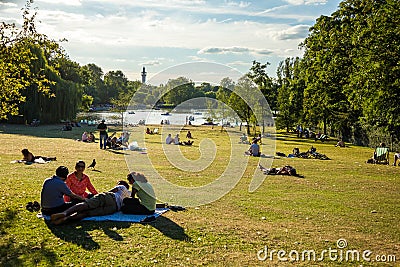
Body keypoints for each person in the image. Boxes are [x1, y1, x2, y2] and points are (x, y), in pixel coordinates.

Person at [50, 180, 131, 225]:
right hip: (114, 208)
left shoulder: (122, 186)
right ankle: (66, 219)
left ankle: (64, 213)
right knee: (87, 213)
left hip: (110, 197)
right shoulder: (129, 194)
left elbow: (111, 191)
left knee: (86, 205)